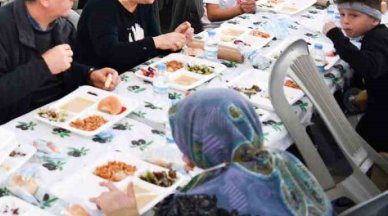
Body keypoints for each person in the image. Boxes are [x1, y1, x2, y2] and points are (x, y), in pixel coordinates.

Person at [92, 89, 331, 216]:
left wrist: (125, 212)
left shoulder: (204, 200)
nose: (184, 156)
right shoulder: (283, 158)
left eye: (186, 144)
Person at [323, 0, 388, 152]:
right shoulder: (378, 34)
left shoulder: (377, 40)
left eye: (354, 16)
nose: (345, 21)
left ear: (374, 19)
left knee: (361, 140)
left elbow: (366, 65)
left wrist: (336, 36)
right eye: (342, 14)